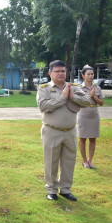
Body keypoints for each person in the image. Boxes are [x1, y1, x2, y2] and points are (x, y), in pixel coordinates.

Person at [36, 60, 89, 201]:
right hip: (52, 131)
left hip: (70, 131)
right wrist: (62, 98)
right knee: (51, 161)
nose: (60, 74)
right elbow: (44, 106)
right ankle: (51, 189)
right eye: (57, 71)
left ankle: (65, 189)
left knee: (69, 161)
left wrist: (72, 96)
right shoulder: (44, 88)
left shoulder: (73, 87)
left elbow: (87, 100)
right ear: (50, 73)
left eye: (63, 71)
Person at [77, 65, 104, 169]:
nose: (90, 76)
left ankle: (90, 160)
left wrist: (94, 97)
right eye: (88, 74)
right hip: (83, 114)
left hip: (94, 114)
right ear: (83, 76)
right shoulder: (79, 88)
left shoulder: (97, 88)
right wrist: (89, 96)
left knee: (93, 138)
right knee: (82, 138)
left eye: (92, 74)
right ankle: (84, 161)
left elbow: (101, 103)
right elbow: (78, 101)